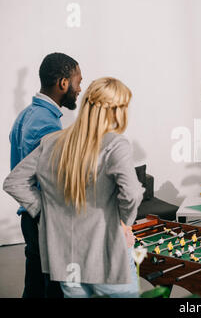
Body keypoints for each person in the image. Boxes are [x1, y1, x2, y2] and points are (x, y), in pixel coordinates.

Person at [4, 77, 144, 298]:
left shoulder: (52, 141)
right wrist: (124, 225)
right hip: (106, 255)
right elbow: (132, 193)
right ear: (117, 110)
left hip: (66, 261)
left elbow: (14, 181)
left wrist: (43, 212)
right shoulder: (116, 144)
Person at [8, 52, 82, 298]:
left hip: (29, 219)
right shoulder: (47, 124)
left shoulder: (26, 115)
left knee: (34, 289)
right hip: (45, 221)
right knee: (55, 291)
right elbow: (51, 181)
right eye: (78, 82)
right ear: (63, 83)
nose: (79, 89)